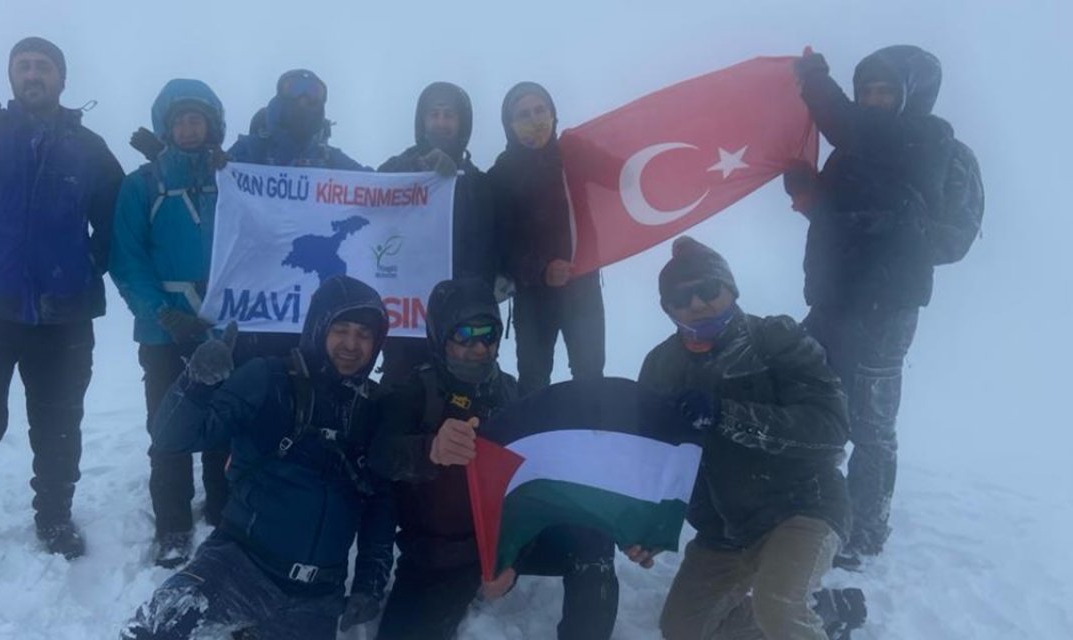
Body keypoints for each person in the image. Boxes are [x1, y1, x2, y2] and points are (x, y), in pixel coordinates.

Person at [0, 37, 123, 587]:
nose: (33, 74)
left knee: (59, 424)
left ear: (62, 78)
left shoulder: (89, 149)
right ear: (11, 76)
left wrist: (89, 266)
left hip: (64, 316)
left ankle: (54, 518)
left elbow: (117, 217)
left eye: (43, 67)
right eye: (23, 66)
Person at [787, 46, 984, 567]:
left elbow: (957, 237)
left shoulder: (942, 146)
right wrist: (812, 202)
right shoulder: (850, 150)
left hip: (888, 305)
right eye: (867, 91)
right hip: (833, 296)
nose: (873, 101)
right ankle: (817, 508)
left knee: (870, 420)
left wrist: (903, 233)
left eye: (886, 92)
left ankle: (865, 528)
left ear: (910, 95)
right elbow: (838, 220)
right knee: (817, 402)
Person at [122, 275, 394, 640]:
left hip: (318, 595)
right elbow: (171, 438)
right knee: (155, 630)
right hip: (239, 566)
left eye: (364, 334)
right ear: (317, 328)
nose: (351, 344)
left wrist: (369, 582)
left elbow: (379, 504)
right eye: (340, 329)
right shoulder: (269, 378)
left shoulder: (375, 409)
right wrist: (197, 382)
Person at [634, 236, 863, 639]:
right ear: (667, 308)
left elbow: (829, 429)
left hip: (802, 506)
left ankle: (796, 615)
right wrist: (649, 527)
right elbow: (656, 459)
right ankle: (824, 612)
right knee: (683, 630)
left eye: (708, 289)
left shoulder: (777, 339)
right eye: (681, 297)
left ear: (731, 289)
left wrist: (726, 414)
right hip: (724, 530)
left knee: (779, 606)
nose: (698, 303)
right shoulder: (660, 366)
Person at [369, 278, 618, 640]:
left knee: (593, 537)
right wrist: (429, 449)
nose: (479, 347)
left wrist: (512, 559)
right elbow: (379, 456)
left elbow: (532, 486)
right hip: (438, 559)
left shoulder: (510, 392)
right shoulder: (413, 392)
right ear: (440, 337)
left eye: (488, 334)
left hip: (501, 544)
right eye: (465, 335)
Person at [110, 78, 231, 569]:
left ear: (212, 125)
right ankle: (173, 524)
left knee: (226, 422)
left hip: (223, 328)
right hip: (164, 331)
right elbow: (127, 256)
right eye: (179, 120)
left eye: (196, 119)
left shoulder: (232, 178)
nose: (188, 128)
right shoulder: (142, 185)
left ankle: (224, 510)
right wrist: (161, 312)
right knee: (168, 427)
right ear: (166, 126)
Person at [224, 69, 369, 366]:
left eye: (313, 94)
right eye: (296, 90)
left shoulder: (330, 158)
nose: (305, 100)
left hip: (309, 312)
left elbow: (378, 189)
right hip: (257, 307)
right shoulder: (249, 151)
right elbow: (213, 195)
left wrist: (423, 169)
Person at [377, 82, 500, 387]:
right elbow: (366, 201)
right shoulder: (395, 168)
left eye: (449, 115)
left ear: (462, 124)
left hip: (464, 328)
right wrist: (417, 170)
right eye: (434, 114)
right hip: (404, 324)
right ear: (422, 121)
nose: (442, 122)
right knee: (400, 403)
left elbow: (494, 244)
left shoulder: (480, 184)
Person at [488, 82, 605, 396]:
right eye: (523, 114)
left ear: (554, 114)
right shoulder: (501, 173)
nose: (534, 119)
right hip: (534, 294)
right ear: (509, 125)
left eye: (541, 110)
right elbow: (499, 244)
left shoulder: (572, 154)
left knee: (591, 373)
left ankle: (593, 438)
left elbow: (622, 176)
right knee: (534, 382)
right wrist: (541, 269)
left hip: (583, 283)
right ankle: (534, 444)